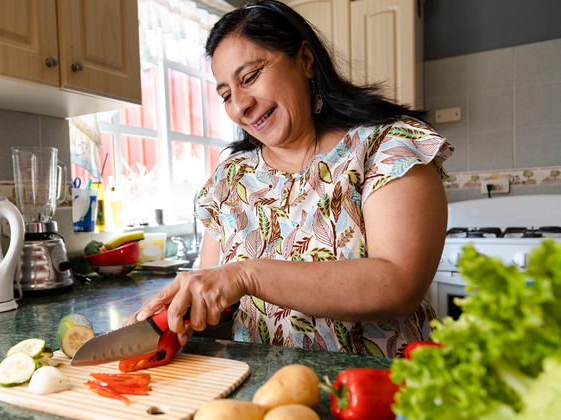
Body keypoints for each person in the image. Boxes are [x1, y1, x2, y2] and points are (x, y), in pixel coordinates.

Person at [127, 0, 453, 358]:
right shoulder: (230, 181)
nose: (240, 106)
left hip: (383, 393)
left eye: (250, 77)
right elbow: (216, 311)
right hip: (264, 395)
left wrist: (246, 275)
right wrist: (175, 318)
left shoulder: (386, 147)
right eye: (225, 95)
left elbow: (399, 286)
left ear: (306, 60)